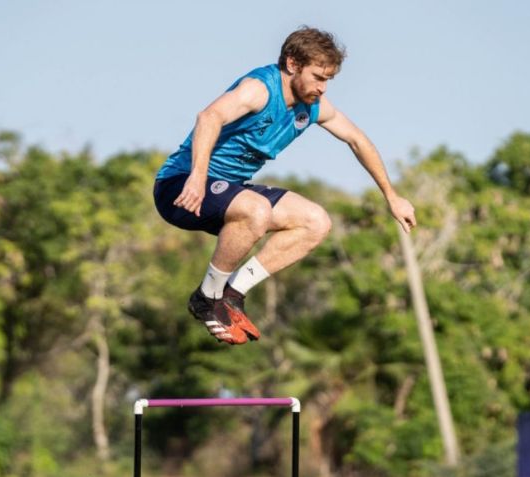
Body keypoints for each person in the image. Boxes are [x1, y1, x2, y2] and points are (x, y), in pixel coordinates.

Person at [153, 27, 417, 345]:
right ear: (292, 64)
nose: (322, 88)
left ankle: (232, 294)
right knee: (256, 209)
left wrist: (391, 195)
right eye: (318, 77)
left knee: (315, 222)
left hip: (229, 191)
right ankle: (206, 298)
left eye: (328, 80)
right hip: (179, 187)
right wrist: (197, 176)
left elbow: (356, 139)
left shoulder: (313, 106)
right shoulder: (259, 90)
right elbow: (209, 117)